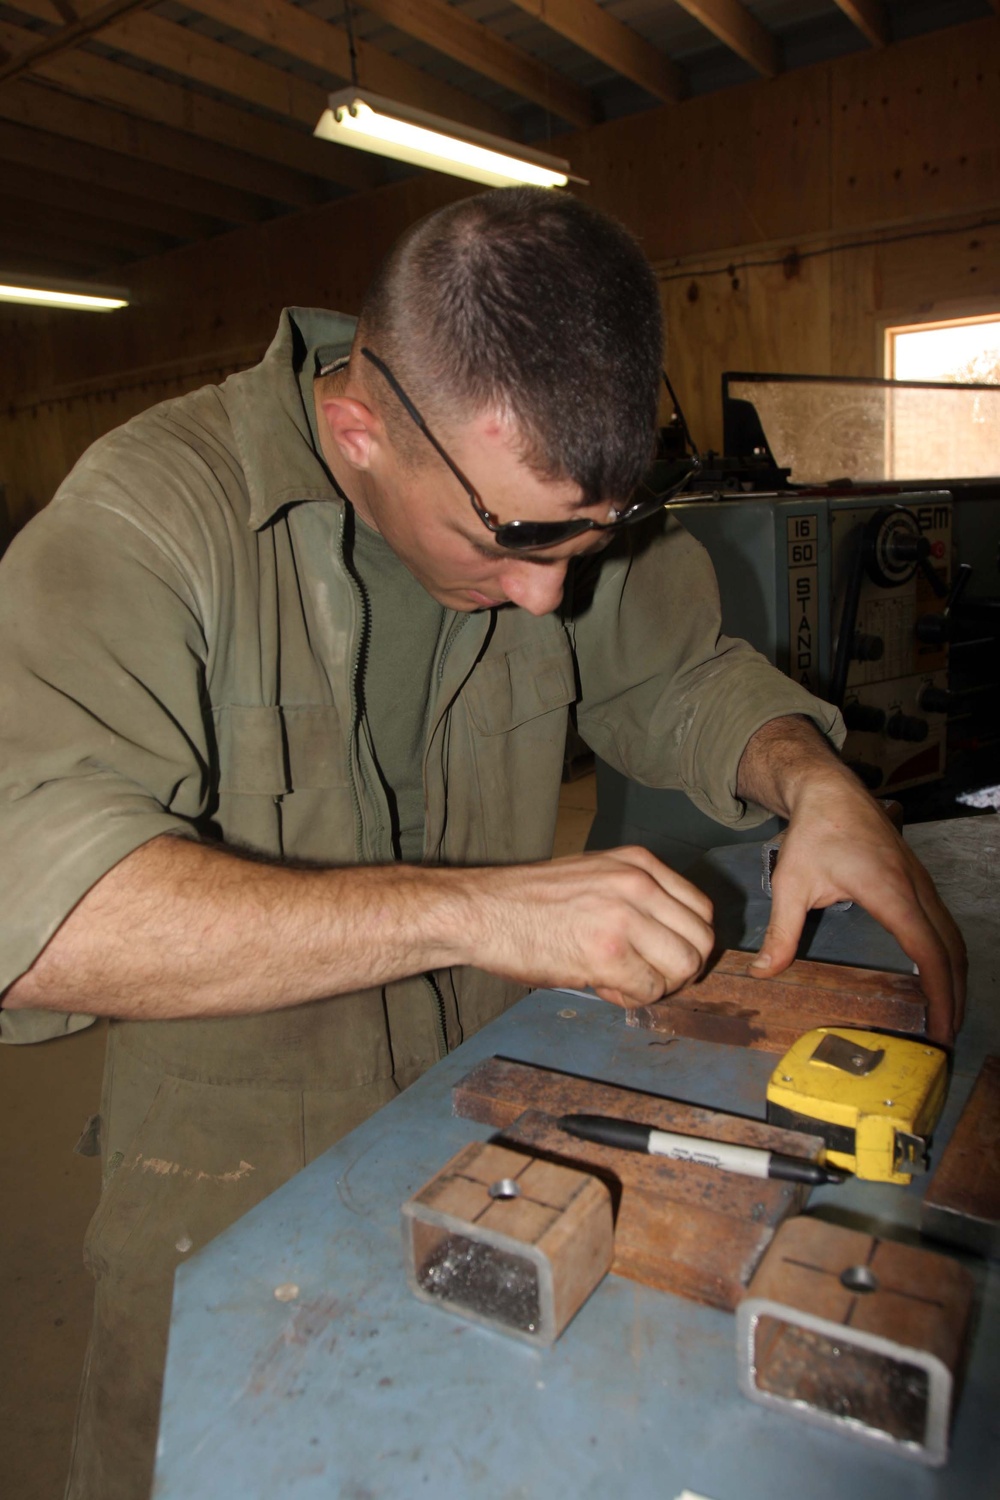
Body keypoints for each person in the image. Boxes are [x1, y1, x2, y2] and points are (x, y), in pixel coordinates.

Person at [0, 188, 964, 1500]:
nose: (550, 593)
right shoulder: (153, 518)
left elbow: (671, 674)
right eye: (516, 541)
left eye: (589, 540)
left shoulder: (541, 526)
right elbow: (38, 910)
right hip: (224, 1192)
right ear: (360, 430)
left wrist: (813, 779)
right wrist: (474, 910)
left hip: (498, 1144)